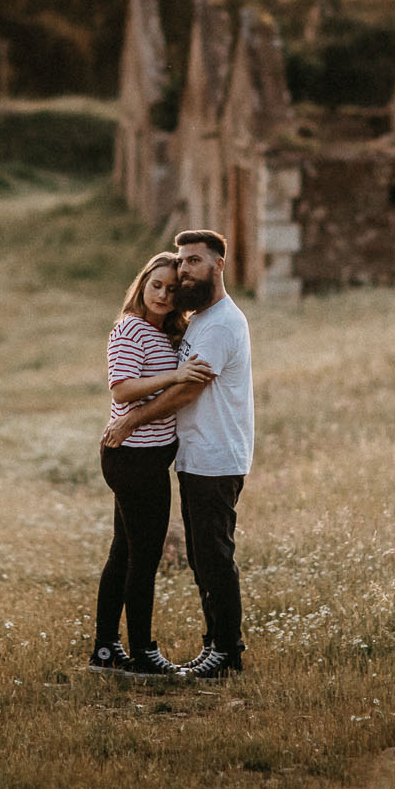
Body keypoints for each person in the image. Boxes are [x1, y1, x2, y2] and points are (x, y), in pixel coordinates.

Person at [103, 229, 252, 679]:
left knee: (212, 558)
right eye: (181, 261)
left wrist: (132, 419)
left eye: (194, 261)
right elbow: (132, 376)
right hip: (187, 457)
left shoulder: (222, 323)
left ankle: (224, 651)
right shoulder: (192, 321)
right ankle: (118, 648)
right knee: (155, 554)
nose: (185, 270)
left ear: (218, 265)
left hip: (215, 458)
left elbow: (189, 388)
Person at [91, 251, 217, 678]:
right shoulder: (131, 329)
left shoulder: (163, 332)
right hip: (133, 460)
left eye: (171, 288)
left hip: (144, 457)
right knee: (143, 560)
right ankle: (143, 655)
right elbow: (123, 389)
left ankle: (105, 652)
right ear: (141, 286)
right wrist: (175, 377)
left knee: (123, 553)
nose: (163, 294)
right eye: (156, 285)